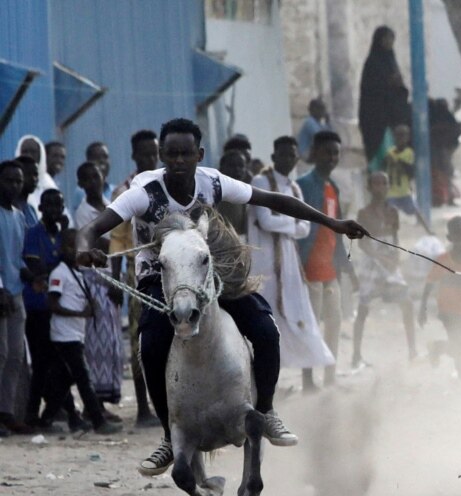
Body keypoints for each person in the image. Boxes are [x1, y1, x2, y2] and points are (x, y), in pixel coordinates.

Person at [76, 118, 367, 476]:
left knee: (265, 329)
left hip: (207, 273)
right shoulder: (143, 193)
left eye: (186, 153)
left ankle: (268, 410)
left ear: (199, 154)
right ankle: (170, 435)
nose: (179, 160)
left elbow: (274, 199)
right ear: (162, 155)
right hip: (161, 278)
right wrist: (85, 249)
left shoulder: (212, 182)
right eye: (172, 153)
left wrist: (334, 224)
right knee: (149, 347)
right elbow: (91, 228)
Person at [249, 136, 335, 391]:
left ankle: (308, 381)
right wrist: (292, 225)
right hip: (265, 266)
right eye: (282, 155)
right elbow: (266, 221)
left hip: (289, 266)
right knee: (265, 325)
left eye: (292, 156)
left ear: (297, 158)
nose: (287, 159)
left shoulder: (295, 189)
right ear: (274, 157)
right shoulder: (261, 182)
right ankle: (264, 388)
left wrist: (288, 225)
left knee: (302, 318)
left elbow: (305, 229)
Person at [297, 130, 361, 387]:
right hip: (308, 269)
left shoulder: (332, 187)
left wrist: (349, 268)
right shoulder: (302, 185)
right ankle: (308, 381)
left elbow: (337, 233)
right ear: (315, 153)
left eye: (336, 153)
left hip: (329, 271)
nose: (332, 157)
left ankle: (330, 379)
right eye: (327, 152)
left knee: (333, 325)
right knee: (310, 328)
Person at [45, 229, 122, 435]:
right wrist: (79, 313)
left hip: (75, 334)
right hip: (64, 335)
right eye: (70, 246)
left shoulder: (76, 272)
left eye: (77, 247)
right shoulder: (59, 273)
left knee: (64, 379)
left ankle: (46, 418)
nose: (74, 251)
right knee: (83, 378)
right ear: (62, 248)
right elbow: (52, 303)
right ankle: (98, 421)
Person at [110, 130, 160, 427]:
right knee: (140, 338)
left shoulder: (165, 184)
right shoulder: (126, 190)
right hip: (136, 270)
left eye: (153, 153)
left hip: (168, 266)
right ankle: (142, 408)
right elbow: (116, 241)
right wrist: (115, 282)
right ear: (133, 156)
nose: (150, 158)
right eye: (144, 154)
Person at [22, 188, 78, 429]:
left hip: (57, 307)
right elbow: (38, 268)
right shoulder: (34, 234)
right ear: (41, 208)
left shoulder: (62, 235)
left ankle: (54, 413)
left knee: (62, 365)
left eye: (59, 205)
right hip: (37, 307)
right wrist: (58, 262)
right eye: (50, 206)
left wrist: (66, 234)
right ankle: (36, 415)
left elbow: (71, 260)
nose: (55, 210)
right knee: (43, 364)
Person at [352, 171, 417, 369]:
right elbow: (362, 244)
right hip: (372, 261)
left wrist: (396, 258)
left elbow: (395, 238)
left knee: (407, 303)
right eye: (376, 184)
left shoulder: (393, 212)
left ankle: (412, 351)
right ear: (369, 188)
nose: (380, 187)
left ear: (389, 187)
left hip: (389, 260)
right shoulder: (364, 213)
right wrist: (379, 257)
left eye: (384, 183)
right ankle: (356, 354)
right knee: (363, 308)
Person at [73, 162, 123, 415]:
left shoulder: (109, 205)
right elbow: (109, 242)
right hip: (95, 280)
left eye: (97, 176)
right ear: (80, 184)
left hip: (112, 278)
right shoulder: (83, 213)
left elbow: (115, 243)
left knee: (112, 341)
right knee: (97, 342)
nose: (93, 181)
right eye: (87, 178)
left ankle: (104, 400)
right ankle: (95, 403)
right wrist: (115, 243)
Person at [418, 216, 461, 383]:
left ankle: (438, 347)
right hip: (448, 311)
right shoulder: (443, 261)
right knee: (460, 347)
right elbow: (429, 284)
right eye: (457, 236)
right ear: (450, 238)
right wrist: (423, 309)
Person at [0, 161, 33, 436]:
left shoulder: (18, 216)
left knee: (15, 355)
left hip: (16, 292)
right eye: (9, 181)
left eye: (18, 181)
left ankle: (7, 411)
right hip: (1, 294)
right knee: (0, 354)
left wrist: (30, 273)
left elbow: (16, 256)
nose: (14, 186)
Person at [359, 25, 411, 167]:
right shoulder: (372, 63)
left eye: (392, 39)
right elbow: (370, 91)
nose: (389, 42)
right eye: (387, 38)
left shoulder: (391, 62)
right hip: (375, 119)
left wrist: (398, 84)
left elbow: (400, 91)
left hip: (392, 119)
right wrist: (388, 83)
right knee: (380, 156)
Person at [385, 124, 431, 233]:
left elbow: (410, 171)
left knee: (415, 210)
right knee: (391, 214)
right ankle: (393, 235)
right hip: (391, 191)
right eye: (398, 135)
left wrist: (398, 162)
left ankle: (428, 230)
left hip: (404, 190)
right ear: (394, 137)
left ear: (407, 137)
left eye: (403, 135)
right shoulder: (390, 152)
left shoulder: (409, 153)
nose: (401, 138)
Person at [68, 142, 115, 223]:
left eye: (105, 157)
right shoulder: (81, 192)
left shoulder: (115, 190)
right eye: (97, 157)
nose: (102, 161)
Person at [429, 98, 461, 207]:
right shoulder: (439, 117)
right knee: (442, 174)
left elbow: (457, 130)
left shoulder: (440, 117)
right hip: (437, 150)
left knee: (444, 174)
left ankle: (445, 197)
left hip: (442, 149)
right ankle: (441, 197)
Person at [16, 136, 59, 208]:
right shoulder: (12, 181)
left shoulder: (48, 184)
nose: (28, 155)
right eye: (25, 151)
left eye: (33, 152)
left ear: (41, 154)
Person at [217, 149, 251, 233]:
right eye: (232, 165)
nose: (237, 169)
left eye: (241, 166)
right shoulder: (217, 194)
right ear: (221, 169)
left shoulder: (245, 193)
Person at [13, 156, 40, 228]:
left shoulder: (31, 210)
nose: (33, 179)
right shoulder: (7, 209)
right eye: (28, 174)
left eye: (35, 174)